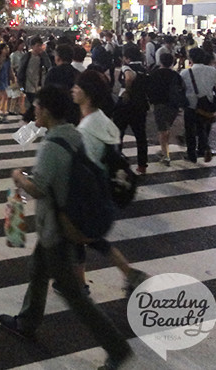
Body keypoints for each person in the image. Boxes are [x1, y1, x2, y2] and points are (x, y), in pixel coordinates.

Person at [0, 85, 132, 370]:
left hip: (58, 230)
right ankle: (27, 321)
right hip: (61, 222)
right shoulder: (73, 134)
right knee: (36, 271)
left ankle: (117, 347)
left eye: (36, 107)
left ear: (45, 111)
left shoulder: (51, 146)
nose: (34, 111)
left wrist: (18, 177)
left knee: (74, 296)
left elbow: (38, 188)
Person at [70, 70, 149, 296]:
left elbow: (87, 166)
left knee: (77, 236)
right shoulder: (103, 120)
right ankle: (130, 274)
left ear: (87, 93)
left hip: (91, 195)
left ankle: (79, 287)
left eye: (77, 87)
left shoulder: (86, 129)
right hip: (106, 192)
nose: (73, 90)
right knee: (92, 238)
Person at [180, 47, 216, 163]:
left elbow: (181, 88)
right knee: (203, 128)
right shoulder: (212, 70)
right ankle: (203, 148)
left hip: (191, 105)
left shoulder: (185, 72)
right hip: (206, 105)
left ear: (191, 58)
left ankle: (191, 155)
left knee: (190, 131)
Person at [113, 44, 149, 174]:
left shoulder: (127, 67)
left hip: (125, 104)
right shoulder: (144, 68)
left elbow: (128, 77)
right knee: (141, 135)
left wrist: (127, 91)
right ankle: (142, 165)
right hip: (140, 104)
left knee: (118, 133)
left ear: (127, 58)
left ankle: (116, 162)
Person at [147, 52, 185, 165]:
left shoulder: (155, 74)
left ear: (160, 61)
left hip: (160, 104)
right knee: (166, 128)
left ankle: (166, 155)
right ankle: (165, 149)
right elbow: (182, 89)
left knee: (162, 130)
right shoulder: (176, 75)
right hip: (173, 105)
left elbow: (149, 89)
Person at [17, 36, 52, 122]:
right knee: (34, 105)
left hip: (39, 87)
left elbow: (49, 66)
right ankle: (29, 121)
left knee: (36, 106)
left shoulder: (42, 56)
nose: (40, 47)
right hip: (28, 87)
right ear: (32, 46)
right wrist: (21, 88)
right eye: (37, 45)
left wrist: (44, 55)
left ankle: (30, 121)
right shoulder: (27, 56)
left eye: (41, 45)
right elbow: (20, 72)